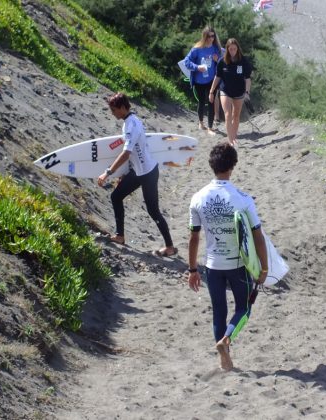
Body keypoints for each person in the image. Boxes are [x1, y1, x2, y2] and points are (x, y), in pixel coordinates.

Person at [188, 143, 268, 371]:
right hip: (238, 265)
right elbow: (257, 236)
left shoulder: (197, 198)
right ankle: (226, 340)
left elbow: (193, 238)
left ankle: (224, 357)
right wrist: (263, 268)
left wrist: (192, 270)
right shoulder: (242, 198)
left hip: (212, 266)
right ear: (232, 166)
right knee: (244, 308)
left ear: (212, 166)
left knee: (218, 313)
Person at [96, 92, 177, 257]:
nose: (112, 113)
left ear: (122, 107)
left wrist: (108, 172)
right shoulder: (129, 121)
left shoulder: (132, 125)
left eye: (113, 110)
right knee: (116, 197)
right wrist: (125, 172)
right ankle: (120, 236)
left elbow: (127, 153)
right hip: (138, 171)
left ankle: (169, 246)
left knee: (153, 211)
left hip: (148, 173)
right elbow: (136, 153)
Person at [209, 39, 252, 147]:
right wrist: (212, 91)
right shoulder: (222, 61)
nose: (232, 51)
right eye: (230, 49)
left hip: (239, 91)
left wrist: (247, 92)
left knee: (236, 116)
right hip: (225, 90)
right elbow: (217, 77)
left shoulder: (243, 61)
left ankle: (234, 137)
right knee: (228, 115)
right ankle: (230, 140)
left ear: (237, 49)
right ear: (227, 49)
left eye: (234, 49)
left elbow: (247, 78)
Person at [183, 27, 223, 135]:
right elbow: (186, 62)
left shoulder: (216, 48)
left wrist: (217, 60)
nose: (211, 38)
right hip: (199, 80)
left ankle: (210, 127)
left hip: (212, 80)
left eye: (213, 36)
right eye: (209, 36)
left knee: (211, 102)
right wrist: (197, 67)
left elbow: (224, 62)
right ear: (204, 36)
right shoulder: (197, 49)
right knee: (201, 102)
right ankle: (201, 123)